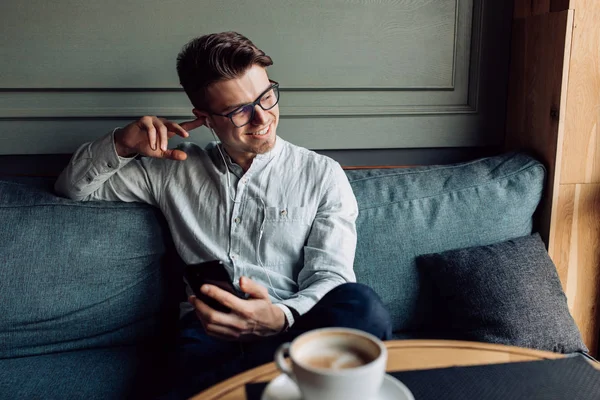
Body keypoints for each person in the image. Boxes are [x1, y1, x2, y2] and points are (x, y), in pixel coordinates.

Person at [54, 31, 392, 399]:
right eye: (238, 110)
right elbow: (73, 188)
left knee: (361, 304)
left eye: (265, 96)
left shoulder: (323, 174)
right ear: (206, 119)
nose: (261, 117)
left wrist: (278, 318)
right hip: (208, 336)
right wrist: (121, 143)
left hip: (295, 328)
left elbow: (332, 277)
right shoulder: (172, 169)